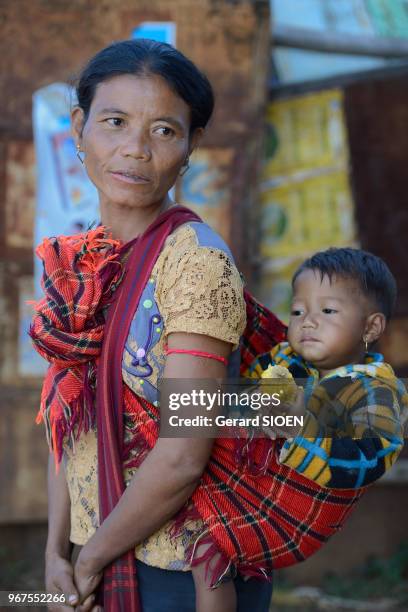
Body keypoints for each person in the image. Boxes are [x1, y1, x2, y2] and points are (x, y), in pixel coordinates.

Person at [30, 39, 276, 612]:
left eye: (165, 130)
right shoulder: (85, 260)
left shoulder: (195, 265)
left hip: (178, 570)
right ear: (79, 129)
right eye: (114, 122)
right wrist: (55, 552)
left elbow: (184, 454)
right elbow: (68, 419)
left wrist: (90, 560)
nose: (135, 149)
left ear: (191, 147)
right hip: (93, 547)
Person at [248, 247, 407, 488]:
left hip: (301, 509)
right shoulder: (281, 358)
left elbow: (369, 459)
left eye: (328, 310)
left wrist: (301, 427)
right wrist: (256, 400)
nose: (308, 321)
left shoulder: (377, 391)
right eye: (297, 311)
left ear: (370, 328)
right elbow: (237, 393)